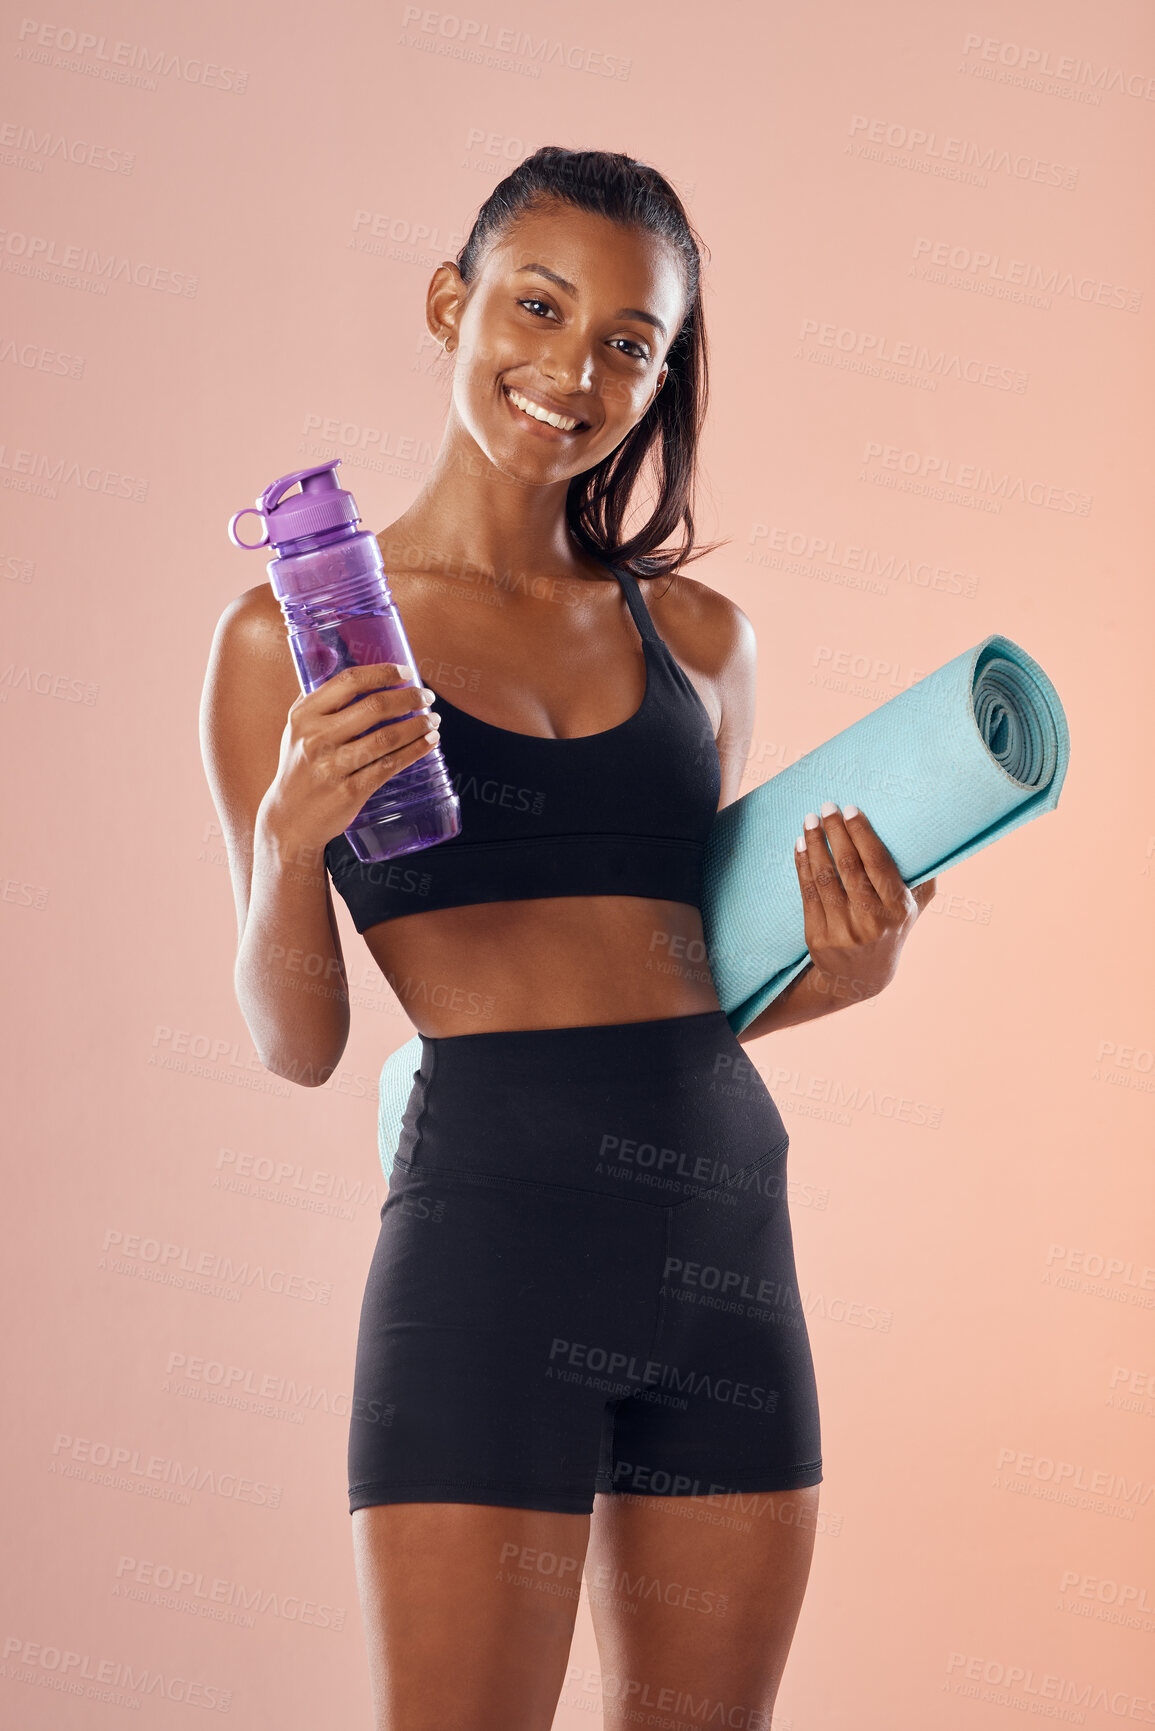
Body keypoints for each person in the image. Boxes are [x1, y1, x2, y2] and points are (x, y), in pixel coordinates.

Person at [201, 146, 935, 1731]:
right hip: (489, 1259)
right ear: (451, 304)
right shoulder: (292, 632)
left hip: (728, 1248)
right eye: (538, 308)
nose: (575, 369)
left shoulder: (704, 643)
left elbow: (686, 989)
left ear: (661, 376)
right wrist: (286, 843)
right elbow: (299, 1041)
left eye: (630, 342)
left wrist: (846, 966)